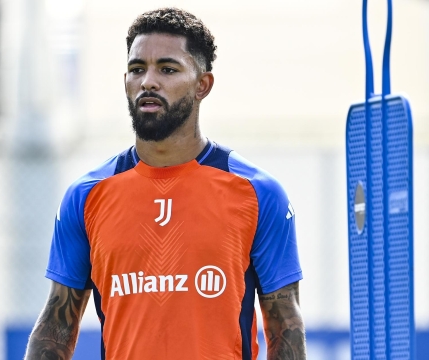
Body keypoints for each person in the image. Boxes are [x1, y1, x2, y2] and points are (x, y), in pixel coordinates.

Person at [25, 7, 306, 360]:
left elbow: (285, 327)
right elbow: (55, 327)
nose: (148, 82)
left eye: (167, 69)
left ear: (203, 85)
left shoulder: (258, 193)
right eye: (137, 69)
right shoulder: (86, 196)